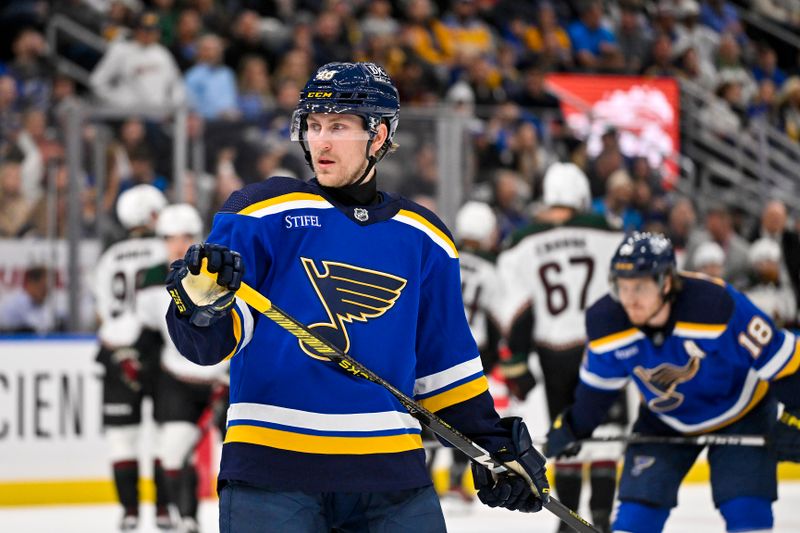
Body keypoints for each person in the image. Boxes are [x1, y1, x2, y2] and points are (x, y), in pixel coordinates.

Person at [163, 61, 550, 533]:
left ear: (380, 135)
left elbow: (446, 367)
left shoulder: (424, 236)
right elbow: (207, 346)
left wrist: (495, 446)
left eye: (339, 126)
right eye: (314, 125)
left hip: (392, 482)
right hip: (272, 476)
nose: (320, 141)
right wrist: (198, 305)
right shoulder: (260, 212)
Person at [545, 232, 800, 533]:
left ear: (666, 282)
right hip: (664, 420)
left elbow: (787, 361)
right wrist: (574, 426)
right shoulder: (607, 322)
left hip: (742, 414)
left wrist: (796, 415)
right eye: (622, 288)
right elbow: (598, 391)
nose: (629, 299)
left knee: (746, 513)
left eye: (639, 287)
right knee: (634, 521)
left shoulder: (717, 306)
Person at [496, 161, 625, 533]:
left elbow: (516, 310)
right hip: (600, 347)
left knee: (564, 431)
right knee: (603, 433)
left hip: (553, 353)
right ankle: (601, 514)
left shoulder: (522, 241)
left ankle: (569, 518)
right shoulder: (607, 231)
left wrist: (517, 361)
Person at [136, 204, 230, 533]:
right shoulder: (150, 281)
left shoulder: (220, 273)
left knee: (239, 457)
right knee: (173, 454)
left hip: (225, 382)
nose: (178, 244)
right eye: (170, 237)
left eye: (186, 237)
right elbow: (147, 331)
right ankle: (187, 519)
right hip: (178, 380)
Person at [93, 184, 172, 531]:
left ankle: (128, 512)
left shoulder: (108, 257)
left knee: (121, 438)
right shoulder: (162, 248)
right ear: (154, 214)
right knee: (162, 434)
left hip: (114, 349)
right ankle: (162, 510)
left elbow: (101, 312)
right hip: (153, 347)